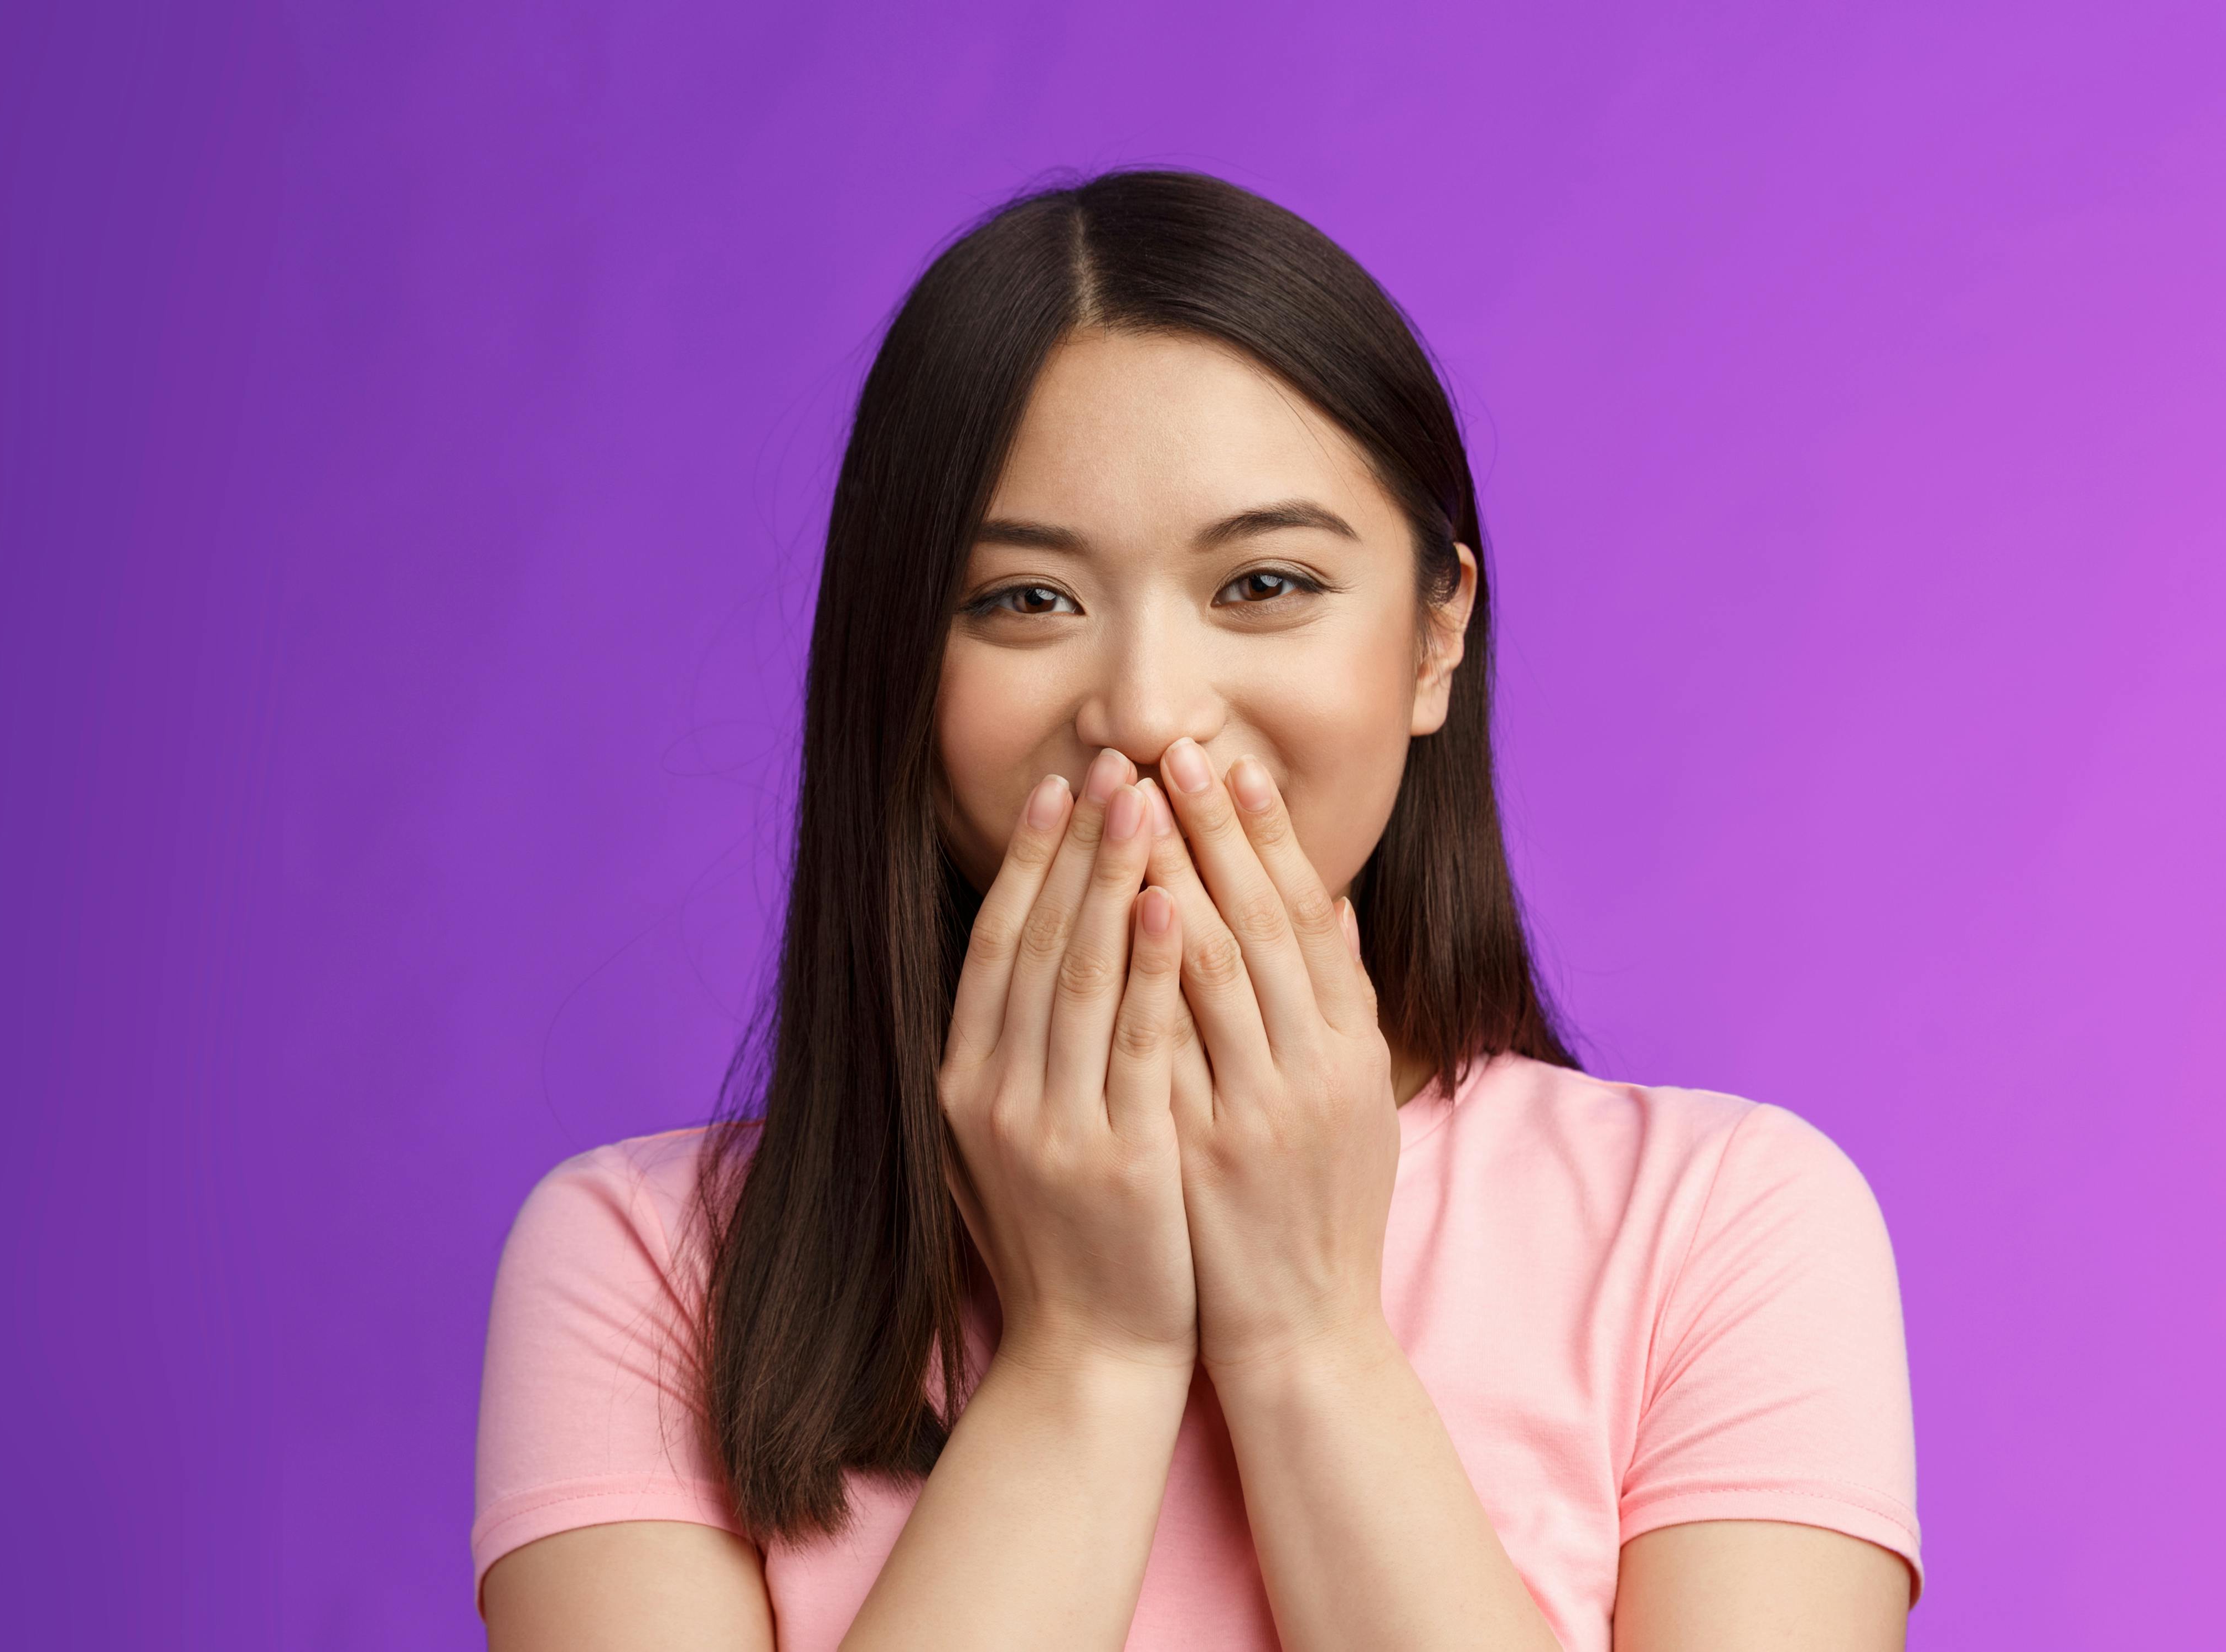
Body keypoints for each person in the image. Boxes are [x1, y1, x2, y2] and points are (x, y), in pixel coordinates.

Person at [474, 170, 1917, 1651]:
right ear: (898, 666)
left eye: (1266, 583)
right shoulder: (649, 1263)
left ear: (1435, 639)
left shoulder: (1721, 1226)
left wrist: (1309, 1338)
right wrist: (1083, 1360)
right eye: (1024, 600)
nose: (1150, 712)